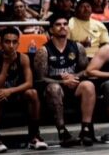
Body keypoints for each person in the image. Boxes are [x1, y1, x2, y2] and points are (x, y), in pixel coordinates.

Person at [33, 13, 97, 147]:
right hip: (52, 91)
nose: (62, 27)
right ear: (51, 29)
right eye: (58, 24)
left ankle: (85, 130)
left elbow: (85, 71)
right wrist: (62, 81)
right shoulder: (43, 51)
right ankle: (63, 133)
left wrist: (74, 77)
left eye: (65, 24)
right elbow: (40, 79)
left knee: (88, 85)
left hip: (74, 87)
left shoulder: (78, 47)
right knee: (54, 88)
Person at [0, 27, 47, 151]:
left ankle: (34, 136)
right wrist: (6, 65)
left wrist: (10, 91)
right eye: (7, 42)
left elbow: (29, 83)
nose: (11, 46)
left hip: (15, 93)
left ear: (18, 43)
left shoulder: (23, 58)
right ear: (1, 44)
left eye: (14, 42)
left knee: (32, 93)